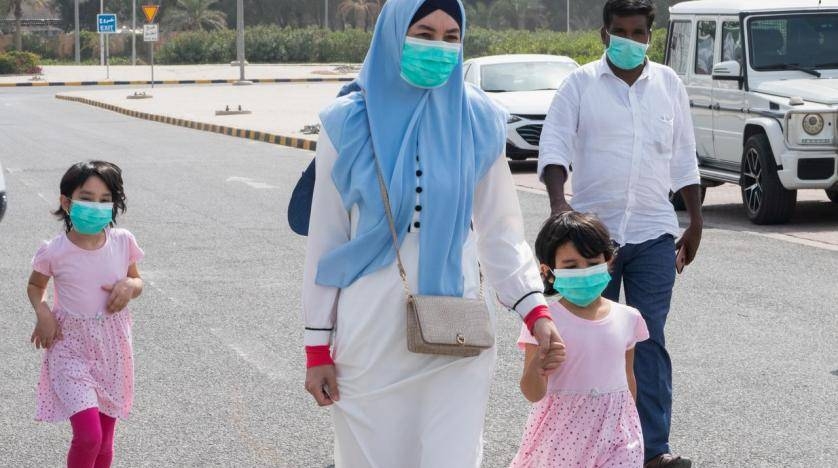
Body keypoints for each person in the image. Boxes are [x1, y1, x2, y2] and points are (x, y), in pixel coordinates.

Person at [301, 0, 565, 466]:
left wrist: (536, 313)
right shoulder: (345, 122)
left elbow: (500, 232)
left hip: (458, 327)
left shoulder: (480, 119)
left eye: (450, 38)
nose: (438, 48)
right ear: (393, 35)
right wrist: (317, 347)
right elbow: (327, 241)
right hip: (372, 334)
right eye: (423, 34)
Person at [538, 0, 702, 466]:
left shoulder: (669, 85)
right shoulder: (580, 84)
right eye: (620, 32)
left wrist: (695, 222)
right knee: (588, 338)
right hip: (592, 241)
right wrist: (558, 205)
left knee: (648, 339)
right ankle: (580, 447)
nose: (630, 41)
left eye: (639, 33)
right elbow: (554, 146)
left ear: (652, 35)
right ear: (603, 33)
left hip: (654, 232)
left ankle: (652, 450)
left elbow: (684, 157)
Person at [28, 160, 144, 468]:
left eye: (105, 200)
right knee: (89, 436)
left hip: (113, 348)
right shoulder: (53, 251)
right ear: (66, 202)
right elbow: (35, 286)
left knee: (105, 440)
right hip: (69, 347)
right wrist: (43, 313)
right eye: (87, 198)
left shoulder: (123, 242)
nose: (97, 206)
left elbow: (137, 279)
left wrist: (130, 286)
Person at [511, 212, 648, 468]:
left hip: (617, 433)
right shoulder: (544, 322)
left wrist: (632, 424)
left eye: (593, 262)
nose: (583, 272)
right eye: (571, 266)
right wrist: (538, 364)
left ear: (608, 262)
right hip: (561, 435)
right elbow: (532, 392)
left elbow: (629, 380)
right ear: (548, 272)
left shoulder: (628, 318)